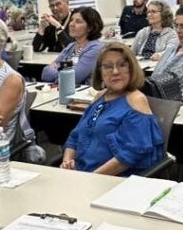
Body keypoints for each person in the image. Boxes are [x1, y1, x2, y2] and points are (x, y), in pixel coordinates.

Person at [60, 43, 164, 175]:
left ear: (131, 69)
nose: (115, 71)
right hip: (80, 174)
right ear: (100, 72)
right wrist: (66, 163)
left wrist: (91, 177)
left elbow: (129, 155)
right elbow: (75, 136)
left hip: (110, 179)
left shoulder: (136, 100)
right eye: (108, 67)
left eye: (122, 65)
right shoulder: (100, 96)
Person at [41, 7, 104, 85]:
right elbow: (45, 74)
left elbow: (71, 79)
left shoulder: (96, 49)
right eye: (71, 20)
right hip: (61, 90)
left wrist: (57, 69)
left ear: (90, 28)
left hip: (83, 92)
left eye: (78, 21)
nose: (71, 24)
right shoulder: (71, 46)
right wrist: (63, 73)